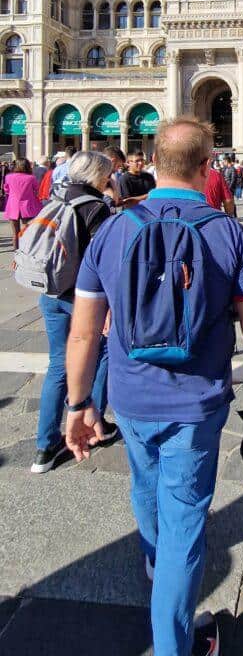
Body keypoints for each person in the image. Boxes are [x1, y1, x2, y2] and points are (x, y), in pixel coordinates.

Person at [65, 117, 243, 656]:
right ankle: (174, 645)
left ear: (152, 164)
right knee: (185, 522)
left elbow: (82, 331)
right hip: (197, 404)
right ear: (206, 166)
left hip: (129, 395)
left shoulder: (114, 230)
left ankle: (155, 566)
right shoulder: (225, 231)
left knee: (146, 488)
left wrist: (78, 404)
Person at [31, 152, 118, 474]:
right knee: (104, 353)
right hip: (81, 299)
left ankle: (45, 447)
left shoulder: (57, 197)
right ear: (99, 176)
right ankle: (94, 421)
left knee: (58, 366)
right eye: (108, 174)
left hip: (50, 293)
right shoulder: (96, 207)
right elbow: (106, 264)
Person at [3, 158, 42, 249]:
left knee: (15, 233)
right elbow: (37, 190)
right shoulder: (31, 178)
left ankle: (16, 252)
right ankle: (25, 250)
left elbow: (6, 190)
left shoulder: (8, 177)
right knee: (26, 231)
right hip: (27, 207)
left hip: (13, 206)